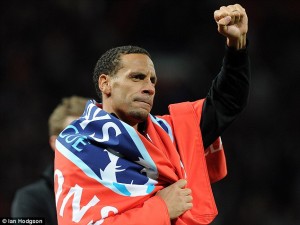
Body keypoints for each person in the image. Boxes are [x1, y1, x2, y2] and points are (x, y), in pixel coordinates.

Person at [54, 3, 250, 225]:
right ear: (105, 84)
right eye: (137, 77)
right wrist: (161, 208)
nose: (149, 87)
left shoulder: (170, 133)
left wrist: (237, 45)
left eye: (152, 80)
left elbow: (227, 102)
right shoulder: (77, 144)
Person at [11, 96, 89, 225]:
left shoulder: (121, 188)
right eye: (75, 136)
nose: (86, 143)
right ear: (55, 143)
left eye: (93, 134)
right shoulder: (31, 199)